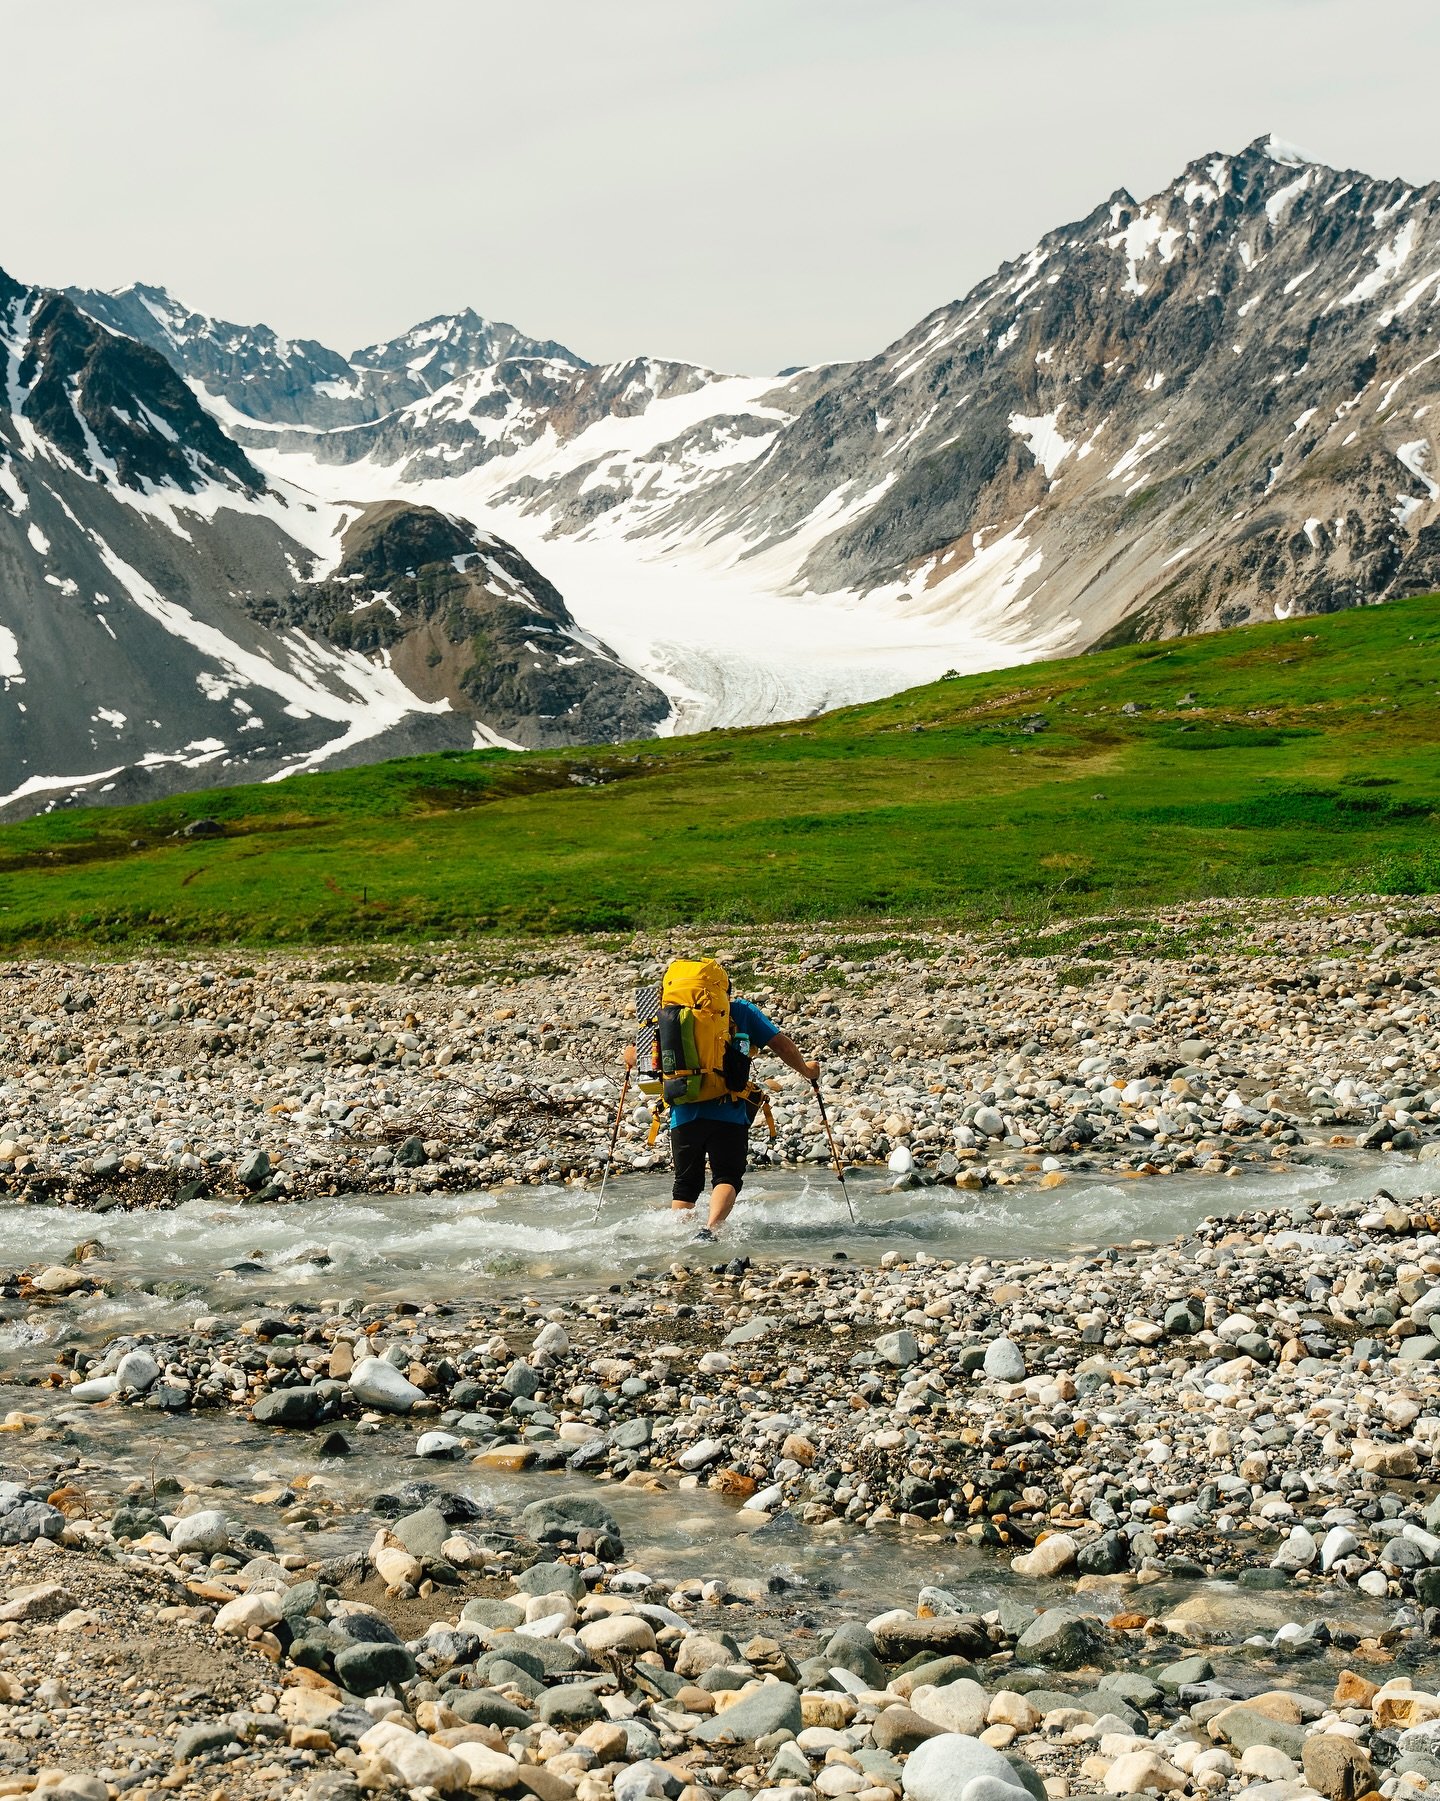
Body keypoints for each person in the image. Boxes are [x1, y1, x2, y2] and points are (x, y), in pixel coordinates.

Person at [624, 995, 819, 1241]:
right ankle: (712, 1229)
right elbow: (783, 1046)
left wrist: (629, 1057)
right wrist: (807, 1071)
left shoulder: (665, 1013)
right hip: (729, 1109)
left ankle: (677, 1240)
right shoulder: (740, 1010)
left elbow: (635, 1058)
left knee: (685, 1184)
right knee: (727, 1176)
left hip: (683, 1110)